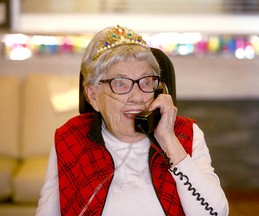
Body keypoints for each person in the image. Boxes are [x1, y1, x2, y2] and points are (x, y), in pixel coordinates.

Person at [36, 25, 229, 216]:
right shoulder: (70, 138)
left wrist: (169, 141)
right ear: (93, 96)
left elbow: (215, 213)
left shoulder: (185, 133)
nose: (137, 97)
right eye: (120, 84)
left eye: (146, 82)